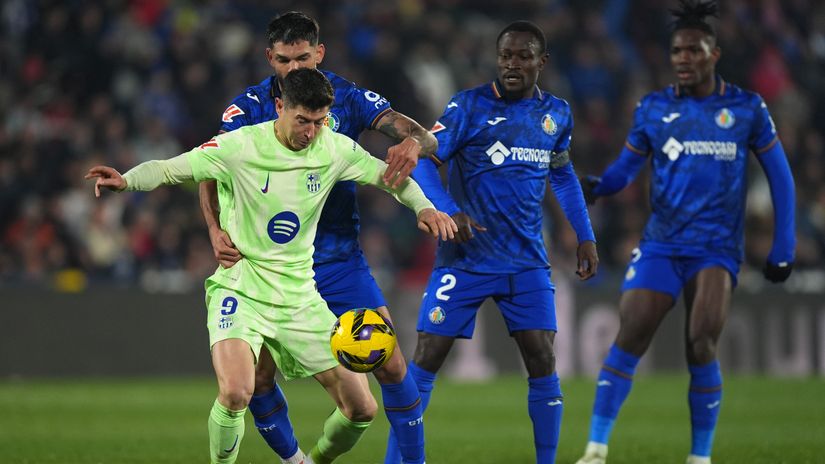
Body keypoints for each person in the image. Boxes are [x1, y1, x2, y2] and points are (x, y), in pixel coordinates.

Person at [85, 68, 457, 464]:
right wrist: (126, 180)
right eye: (302, 120)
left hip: (299, 296)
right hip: (242, 287)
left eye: (319, 122)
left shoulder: (333, 148)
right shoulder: (239, 146)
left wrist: (424, 207)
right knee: (236, 392)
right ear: (280, 107)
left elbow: (391, 180)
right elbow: (170, 168)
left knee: (362, 410)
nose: (311, 132)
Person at [200, 12, 438, 464]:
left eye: (304, 58)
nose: (295, 69)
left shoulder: (345, 98)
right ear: (270, 58)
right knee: (259, 379)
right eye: (285, 60)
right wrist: (214, 228)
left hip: (337, 260)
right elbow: (209, 169)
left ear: (320, 54)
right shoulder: (246, 108)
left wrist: (415, 143)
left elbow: (416, 133)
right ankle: (296, 460)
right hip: (268, 265)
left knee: (390, 364)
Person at [574, 2, 796, 464]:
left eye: (694, 50)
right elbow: (626, 168)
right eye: (677, 50)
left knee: (701, 341)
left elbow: (781, 178)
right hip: (662, 243)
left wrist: (783, 245)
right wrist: (600, 186)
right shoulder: (654, 108)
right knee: (631, 329)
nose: (683, 58)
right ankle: (595, 449)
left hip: (715, 248)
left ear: (714, 54)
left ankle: (700, 457)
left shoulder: (745, 108)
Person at [385, 21, 598, 464]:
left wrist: (585, 234)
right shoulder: (468, 106)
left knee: (542, 359)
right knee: (426, 358)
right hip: (465, 260)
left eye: (523, 56)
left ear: (542, 61)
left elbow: (562, 174)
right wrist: (445, 208)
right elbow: (424, 160)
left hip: (525, 262)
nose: (512, 64)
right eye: (505, 56)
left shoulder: (556, 113)